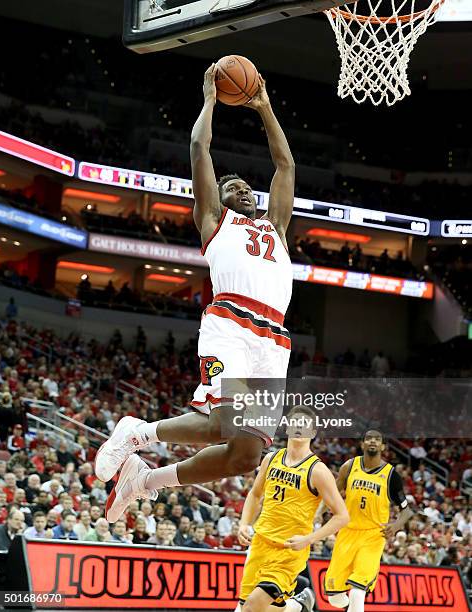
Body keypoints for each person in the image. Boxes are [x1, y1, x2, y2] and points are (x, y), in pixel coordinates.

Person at [98, 65, 296, 523]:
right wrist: (210, 100)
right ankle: (137, 432)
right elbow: (198, 147)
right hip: (231, 322)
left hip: (275, 341)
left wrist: (265, 108)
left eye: (246, 185)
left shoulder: (277, 227)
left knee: (245, 454)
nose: (242, 187)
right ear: (218, 200)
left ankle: (142, 481)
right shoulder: (215, 222)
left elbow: (284, 165)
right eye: (232, 187)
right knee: (220, 422)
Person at [236, 408, 349, 612]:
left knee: (251, 608)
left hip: (288, 552)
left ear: (313, 433)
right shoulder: (270, 459)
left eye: (305, 424)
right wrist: (244, 524)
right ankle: (297, 605)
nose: (299, 426)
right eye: (295, 422)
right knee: (250, 607)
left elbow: (342, 516)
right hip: (260, 543)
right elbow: (254, 495)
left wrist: (310, 539)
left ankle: (295, 605)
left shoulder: (319, 471)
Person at [325, 430, 413, 612]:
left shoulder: (391, 475)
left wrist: (395, 526)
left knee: (358, 591)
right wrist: (321, 511)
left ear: (382, 447)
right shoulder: (349, 467)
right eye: (368, 439)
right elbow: (331, 492)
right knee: (334, 598)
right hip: (347, 532)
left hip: (373, 536)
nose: (373, 441)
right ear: (362, 444)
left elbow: (407, 511)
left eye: (377, 439)